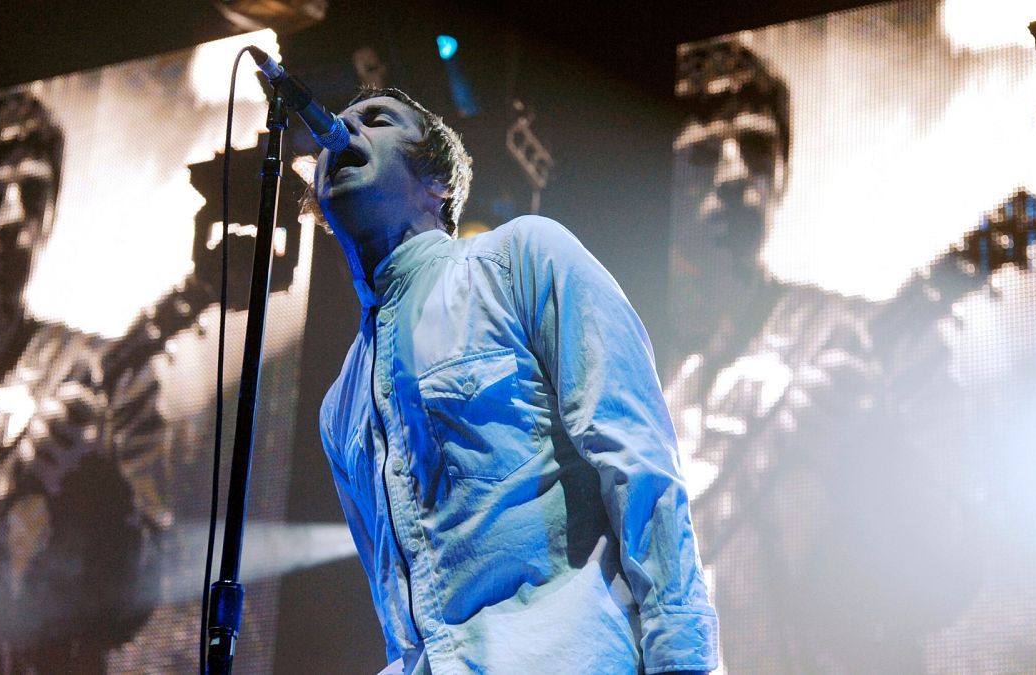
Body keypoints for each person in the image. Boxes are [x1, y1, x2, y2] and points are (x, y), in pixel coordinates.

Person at [311, 87, 718, 674]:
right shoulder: (338, 405)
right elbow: (396, 603)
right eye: (339, 124)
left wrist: (681, 657)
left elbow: (636, 456)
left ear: (438, 184)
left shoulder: (521, 258)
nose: (342, 134)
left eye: (376, 121)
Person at [665, 37, 979, 672]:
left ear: (783, 173)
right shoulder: (601, 362)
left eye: (756, 148)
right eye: (701, 154)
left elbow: (950, 578)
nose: (732, 176)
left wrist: (875, 457)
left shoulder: (875, 340)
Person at [0, 90, 170, 672]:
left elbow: (138, 598)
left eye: (33, 193)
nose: (11, 219)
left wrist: (93, 482)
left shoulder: (99, 374)